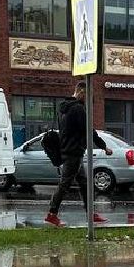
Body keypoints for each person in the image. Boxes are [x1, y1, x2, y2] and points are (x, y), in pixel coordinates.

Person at [45, 81, 106, 227]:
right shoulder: (78, 109)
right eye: (87, 96)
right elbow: (88, 129)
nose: (87, 99)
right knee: (65, 184)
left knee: (85, 184)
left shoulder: (63, 109)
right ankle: (51, 214)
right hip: (73, 152)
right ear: (81, 93)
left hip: (68, 150)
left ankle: (90, 214)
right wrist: (103, 145)